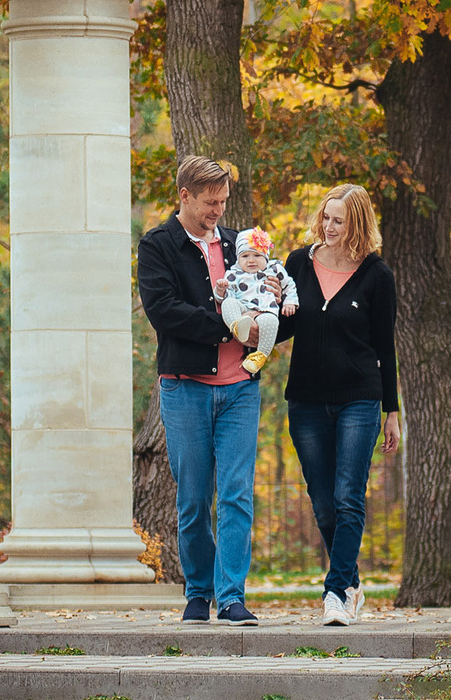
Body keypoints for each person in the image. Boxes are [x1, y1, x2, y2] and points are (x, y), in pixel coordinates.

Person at [137, 154, 278, 625]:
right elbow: (165, 311)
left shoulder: (243, 244)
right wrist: (228, 328)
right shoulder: (158, 245)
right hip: (185, 390)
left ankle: (233, 596)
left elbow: (269, 297)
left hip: (240, 389)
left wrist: (271, 317)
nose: (218, 210)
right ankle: (198, 592)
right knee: (195, 498)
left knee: (236, 493)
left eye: (223, 201)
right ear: (185, 195)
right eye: (209, 202)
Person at [283, 182, 400, 627]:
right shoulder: (298, 263)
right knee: (324, 502)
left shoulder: (377, 275)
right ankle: (351, 581)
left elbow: (384, 346)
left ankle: (335, 593)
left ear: (357, 224)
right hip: (307, 401)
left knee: (348, 495)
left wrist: (392, 411)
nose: (330, 227)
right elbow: (288, 324)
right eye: (327, 217)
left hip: (360, 399)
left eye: (340, 220)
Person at [221, 228, 298, 375]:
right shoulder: (233, 273)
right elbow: (226, 296)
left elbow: (289, 285)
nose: (251, 260)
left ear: (266, 257)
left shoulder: (274, 269)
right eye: (245, 256)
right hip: (242, 308)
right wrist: (220, 291)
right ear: (238, 259)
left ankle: (260, 355)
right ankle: (237, 325)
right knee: (228, 303)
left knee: (271, 322)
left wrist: (290, 302)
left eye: (257, 255)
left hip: (265, 309)